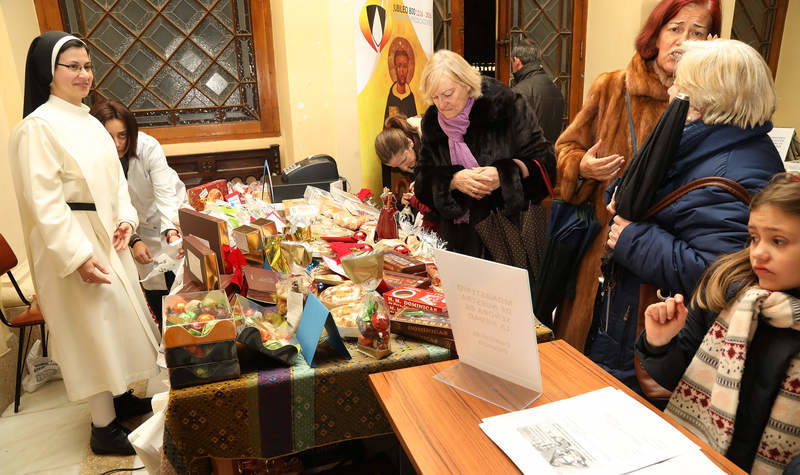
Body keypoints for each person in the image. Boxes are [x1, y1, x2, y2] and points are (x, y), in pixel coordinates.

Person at [586, 39, 784, 393]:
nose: (670, 87)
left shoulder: (734, 169)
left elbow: (720, 274)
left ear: (707, 98)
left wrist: (633, 238)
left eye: (680, 81)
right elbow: (669, 200)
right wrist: (623, 195)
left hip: (672, 340)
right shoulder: (707, 141)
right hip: (640, 318)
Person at [8, 31, 159, 456]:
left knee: (120, 324)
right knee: (92, 332)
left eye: (88, 66)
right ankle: (103, 427)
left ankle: (120, 395)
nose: (83, 74)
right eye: (72, 66)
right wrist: (76, 256)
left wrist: (127, 222)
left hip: (107, 235)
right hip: (72, 242)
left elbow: (116, 184)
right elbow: (44, 203)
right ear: (48, 73)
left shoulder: (90, 121)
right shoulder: (37, 127)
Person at [553, 0, 722, 350]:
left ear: (711, 42)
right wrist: (581, 166)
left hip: (660, 271)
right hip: (599, 257)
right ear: (656, 35)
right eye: (675, 29)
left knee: (641, 368)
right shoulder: (612, 86)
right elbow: (566, 148)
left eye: (697, 32)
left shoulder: (711, 106)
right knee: (581, 359)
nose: (683, 41)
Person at [636, 173, 800, 473]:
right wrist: (660, 344)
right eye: (754, 237)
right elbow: (681, 381)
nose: (759, 252)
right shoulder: (728, 289)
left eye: (778, 241)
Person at [414, 49, 555, 258]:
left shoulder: (505, 106)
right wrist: (452, 180)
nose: (442, 104)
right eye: (435, 97)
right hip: (456, 243)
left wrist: (504, 175)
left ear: (466, 83)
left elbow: (547, 166)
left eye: (448, 94)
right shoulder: (433, 122)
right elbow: (421, 183)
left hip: (507, 240)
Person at [90, 100, 187, 324]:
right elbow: (107, 205)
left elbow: (164, 194)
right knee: (155, 292)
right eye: (108, 136)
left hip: (170, 217)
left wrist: (172, 231)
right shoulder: (93, 160)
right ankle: (165, 343)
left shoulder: (148, 147)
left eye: (122, 136)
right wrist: (134, 240)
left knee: (182, 296)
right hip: (135, 228)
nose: (116, 144)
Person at [374, 114, 438, 232]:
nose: (404, 169)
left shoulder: (433, 138)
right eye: (397, 167)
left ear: (410, 143)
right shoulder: (412, 150)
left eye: (403, 161)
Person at [510, 39, 565, 144]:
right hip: (550, 156)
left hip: (526, 158)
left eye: (511, 62)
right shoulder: (556, 90)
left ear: (516, 61)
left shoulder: (518, 92)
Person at [384, 48, 418, 120]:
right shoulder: (392, 97)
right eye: (399, 66)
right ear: (395, 69)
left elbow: (414, 124)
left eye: (405, 66)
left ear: (408, 69)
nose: (402, 71)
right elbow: (388, 124)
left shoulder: (410, 97)